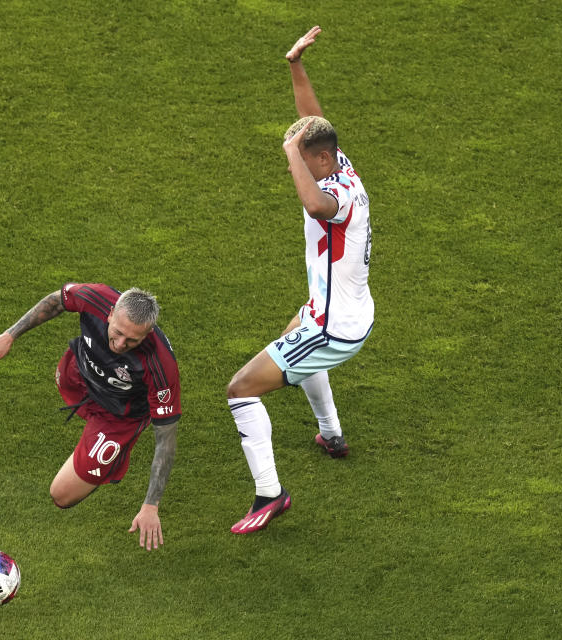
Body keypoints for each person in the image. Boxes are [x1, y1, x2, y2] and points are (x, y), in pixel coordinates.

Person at [226, 25, 374, 534]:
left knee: (241, 389)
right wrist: (295, 64)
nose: (300, 164)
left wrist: (290, 152)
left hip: (335, 326)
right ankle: (331, 435)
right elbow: (313, 123)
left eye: (306, 157)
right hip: (334, 310)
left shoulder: (339, 196)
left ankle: (271, 494)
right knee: (295, 334)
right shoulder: (340, 163)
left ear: (323, 160)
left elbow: (314, 202)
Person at [0, 284, 181, 551]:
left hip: (118, 416)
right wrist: (10, 335)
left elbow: (166, 439)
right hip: (79, 377)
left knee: (61, 495)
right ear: (110, 314)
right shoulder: (93, 297)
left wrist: (151, 505)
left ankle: (107, 459)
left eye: (132, 341)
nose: (120, 344)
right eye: (118, 333)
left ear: (148, 333)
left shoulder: (161, 366)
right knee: (63, 378)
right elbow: (56, 301)